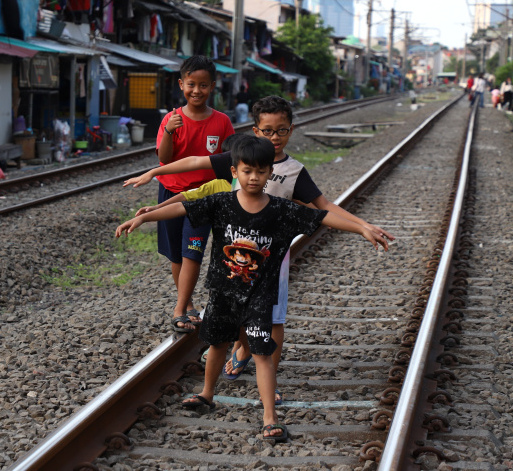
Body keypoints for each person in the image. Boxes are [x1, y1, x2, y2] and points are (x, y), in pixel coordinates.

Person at [116, 136, 390, 441]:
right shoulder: (221, 203)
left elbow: (323, 216)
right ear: (234, 171)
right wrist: (144, 218)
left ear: (270, 173)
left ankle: (270, 417)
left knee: (261, 353)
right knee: (217, 344)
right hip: (222, 291)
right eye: (247, 171)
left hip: (259, 296)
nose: (254, 177)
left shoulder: (281, 210)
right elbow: (183, 208)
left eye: (261, 172)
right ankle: (207, 393)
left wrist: (363, 227)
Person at [155, 55, 235, 333]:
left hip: (204, 198)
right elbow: (164, 160)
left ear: (212, 86)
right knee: (176, 256)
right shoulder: (172, 119)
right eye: (191, 84)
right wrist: (168, 131)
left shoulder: (222, 122)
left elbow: (228, 163)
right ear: (181, 85)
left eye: (203, 85)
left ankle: (181, 308)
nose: (197, 91)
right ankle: (187, 305)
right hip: (171, 194)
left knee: (193, 252)